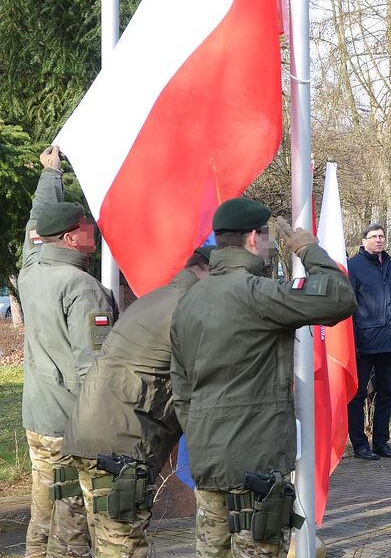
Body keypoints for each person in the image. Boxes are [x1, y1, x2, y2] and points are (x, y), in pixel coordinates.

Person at [170, 199, 357, 555]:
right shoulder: (257, 294)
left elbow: (180, 386)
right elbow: (339, 297)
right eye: (267, 237)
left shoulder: (189, 300)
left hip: (208, 457)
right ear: (253, 239)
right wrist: (308, 248)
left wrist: (198, 433)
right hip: (254, 463)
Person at [61, 246, 213, 556]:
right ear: (206, 272)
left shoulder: (156, 299)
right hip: (120, 446)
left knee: (106, 541)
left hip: (91, 435)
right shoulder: (187, 309)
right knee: (124, 548)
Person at [18, 146, 117, 557]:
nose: (95, 228)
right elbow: (91, 370)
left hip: (37, 418)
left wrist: (52, 173)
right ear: (73, 236)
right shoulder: (82, 289)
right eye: (88, 225)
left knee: (44, 513)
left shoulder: (31, 266)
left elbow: (35, 221)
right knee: (72, 526)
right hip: (69, 425)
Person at [346, 223, 391, 461]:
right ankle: (360, 444)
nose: (379, 240)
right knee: (358, 395)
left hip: (389, 341)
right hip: (364, 343)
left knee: (386, 395)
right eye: (374, 237)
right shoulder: (354, 266)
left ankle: (382, 442)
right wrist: (353, 342)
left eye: (382, 236)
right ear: (364, 241)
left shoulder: (390, 266)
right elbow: (348, 306)